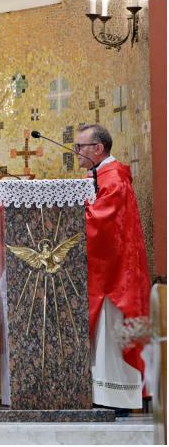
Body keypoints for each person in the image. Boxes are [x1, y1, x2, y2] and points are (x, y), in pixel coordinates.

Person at [75, 123, 150, 413]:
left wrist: (70, 215)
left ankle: (116, 400)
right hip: (105, 269)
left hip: (115, 273)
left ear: (98, 148)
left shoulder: (114, 177)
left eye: (81, 146)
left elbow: (101, 222)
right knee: (102, 336)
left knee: (111, 332)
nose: (76, 152)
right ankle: (102, 396)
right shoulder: (100, 175)